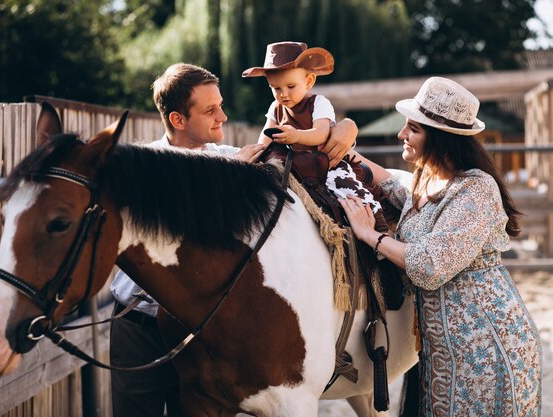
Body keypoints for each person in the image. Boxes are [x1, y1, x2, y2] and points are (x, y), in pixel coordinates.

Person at [110, 62, 358, 417]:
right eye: (210, 110)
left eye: (221, 105)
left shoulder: (230, 161)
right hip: (141, 325)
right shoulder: (147, 169)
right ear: (178, 120)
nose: (223, 117)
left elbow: (292, 158)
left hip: (197, 331)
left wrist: (345, 128)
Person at [339, 76, 542, 416]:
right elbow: (391, 184)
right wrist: (341, 152)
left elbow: (429, 265)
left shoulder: (476, 190)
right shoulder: (425, 179)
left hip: (485, 344)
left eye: (413, 129)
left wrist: (370, 235)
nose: (402, 134)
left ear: (442, 140)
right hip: (444, 348)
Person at [242, 41, 388, 230]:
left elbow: (321, 134)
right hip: (293, 166)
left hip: (325, 163)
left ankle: (378, 225)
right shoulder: (276, 107)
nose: (283, 94)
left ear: (309, 81)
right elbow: (264, 140)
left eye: (291, 86)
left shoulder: (318, 103)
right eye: (276, 88)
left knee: (349, 189)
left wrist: (295, 136)